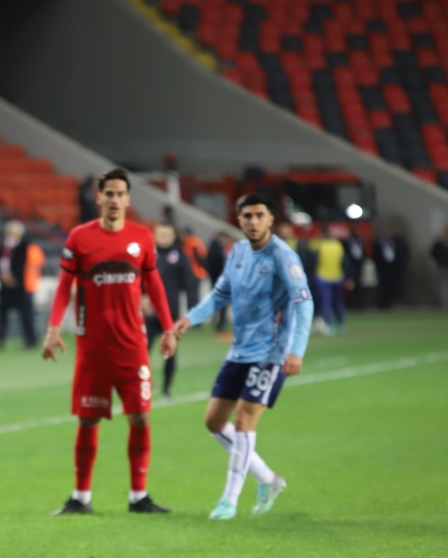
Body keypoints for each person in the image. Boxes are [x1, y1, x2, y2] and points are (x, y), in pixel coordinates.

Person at [171, 191, 314, 520]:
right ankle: (268, 479)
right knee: (213, 421)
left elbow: (303, 303)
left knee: (244, 420)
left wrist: (296, 350)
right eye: (247, 216)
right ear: (239, 219)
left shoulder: (282, 256)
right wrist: (190, 318)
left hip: (272, 352)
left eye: (259, 215)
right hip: (239, 351)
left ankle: (229, 501)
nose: (253, 222)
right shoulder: (236, 253)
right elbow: (219, 296)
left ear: (270, 219)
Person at [43, 168, 176, 516]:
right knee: (87, 420)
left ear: (128, 199)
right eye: (109, 194)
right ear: (99, 198)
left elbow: (155, 285)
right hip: (93, 348)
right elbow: (62, 286)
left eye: (120, 194)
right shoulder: (79, 237)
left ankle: (138, 497)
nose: (115, 200)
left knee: (141, 418)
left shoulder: (142, 238)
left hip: (133, 347)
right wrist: (53, 327)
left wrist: (168, 327)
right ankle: (81, 497)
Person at [145, 222, 197, 399]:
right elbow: (136, 279)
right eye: (161, 234)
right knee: (141, 351)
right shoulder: (147, 254)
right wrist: (141, 298)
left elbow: (190, 285)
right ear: (155, 235)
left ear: (173, 236)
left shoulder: (181, 257)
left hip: (171, 313)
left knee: (170, 351)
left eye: (168, 235)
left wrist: (191, 312)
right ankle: (145, 384)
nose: (164, 238)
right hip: (149, 313)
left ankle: (167, 389)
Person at [0, 220, 38, 350]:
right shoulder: (1, 248)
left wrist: (12, 276)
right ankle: (0, 341)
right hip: (4, 286)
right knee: (2, 314)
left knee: (26, 314)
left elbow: (25, 264)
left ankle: (30, 341)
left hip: (20, 285)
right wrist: (2, 276)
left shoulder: (25, 247)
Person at [312, 229, 347, 335]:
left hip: (323, 278)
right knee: (338, 301)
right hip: (338, 277)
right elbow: (344, 261)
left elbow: (314, 261)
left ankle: (329, 326)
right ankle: (341, 324)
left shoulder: (320, 246)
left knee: (326, 303)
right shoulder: (338, 245)